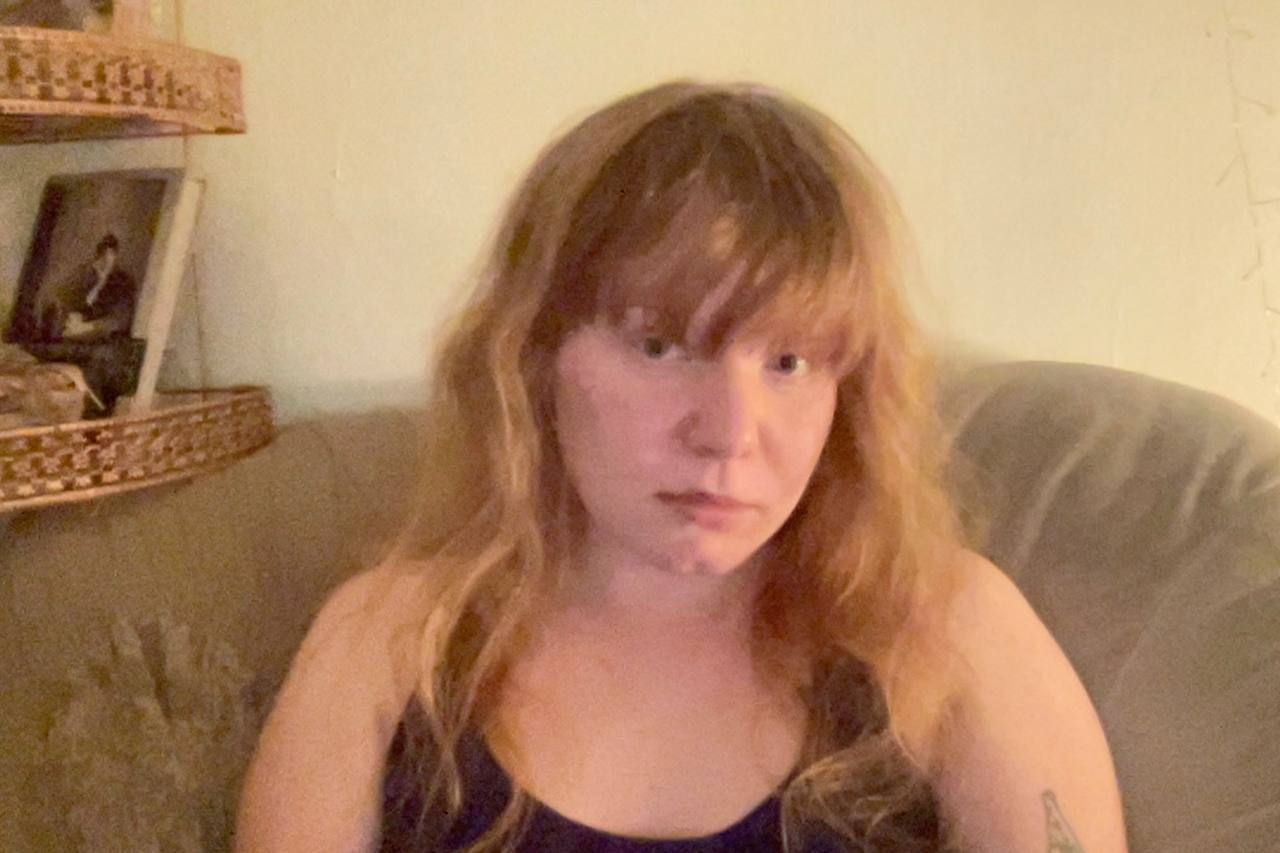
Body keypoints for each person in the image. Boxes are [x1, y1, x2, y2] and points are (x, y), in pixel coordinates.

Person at [235, 81, 1127, 852]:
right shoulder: (389, 643)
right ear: (531, 358)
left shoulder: (948, 631)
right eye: (660, 345)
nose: (731, 433)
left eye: (790, 362)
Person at [41, 233, 138, 342]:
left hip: (102, 338)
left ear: (116, 256)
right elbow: (61, 296)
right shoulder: (85, 274)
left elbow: (119, 321)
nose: (105, 259)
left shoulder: (123, 282)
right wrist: (71, 316)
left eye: (110, 254)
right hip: (71, 332)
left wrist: (87, 327)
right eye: (102, 254)